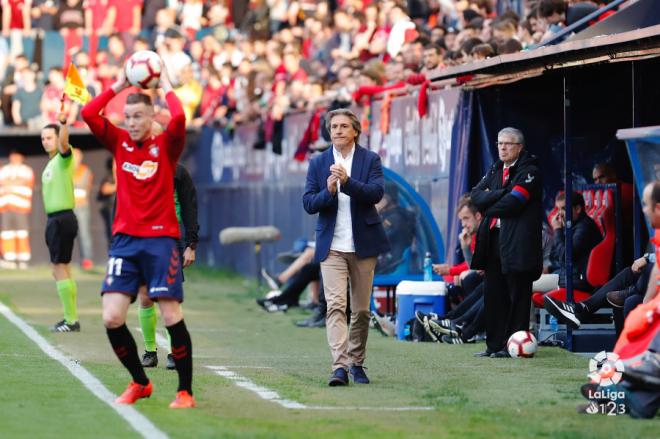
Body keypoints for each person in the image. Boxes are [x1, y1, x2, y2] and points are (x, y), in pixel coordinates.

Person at [81, 61, 195, 408]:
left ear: (151, 119)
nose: (131, 123)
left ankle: (184, 391)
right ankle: (139, 382)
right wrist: (117, 85)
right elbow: (88, 112)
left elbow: (178, 120)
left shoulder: (167, 146)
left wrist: (164, 86)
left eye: (137, 117)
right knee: (112, 317)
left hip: (161, 241)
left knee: (170, 313)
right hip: (126, 242)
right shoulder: (119, 144)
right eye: (127, 117)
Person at [303, 108, 390, 386]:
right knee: (336, 306)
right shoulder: (318, 163)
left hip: (363, 244)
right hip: (332, 247)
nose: (338, 131)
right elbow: (308, 203)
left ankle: (357, 362)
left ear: (355, 131)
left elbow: (376, 193)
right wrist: (328, 192)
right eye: (333, 127)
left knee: (362, 310)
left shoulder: (370, 159)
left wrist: (347, 183)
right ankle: (339, 366)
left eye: (343, 126)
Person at [470, 127, 543, 358]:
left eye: (508, 144)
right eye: (499, 143)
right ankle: (494, 346)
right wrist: (501, 194)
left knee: (517, 297)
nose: (502, 148)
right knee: (493, 295)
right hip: (493, 240)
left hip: (518, 244)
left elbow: (515, 202)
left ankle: (513, 346)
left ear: (519, 147)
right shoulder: (495, 168)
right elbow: (474, 196)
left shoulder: (530, 171)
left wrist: (489, 203)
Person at [139, 162, 199, 370]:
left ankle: (175, 353)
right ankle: (149, 352)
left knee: (169, 297)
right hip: (141, 239)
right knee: (145, 295)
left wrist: (191, 244)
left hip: (168, 240)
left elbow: (189, 207)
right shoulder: (136, 169)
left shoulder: (178, 171)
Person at [41, 113, 80, 332]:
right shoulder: (51, 164)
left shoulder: (63, 159)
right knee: (61, 267)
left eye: (49, 137)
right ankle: (71, 318)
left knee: (58, 268)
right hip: (56, 219)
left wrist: (63, 124)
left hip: (62, 218)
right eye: (43, 138)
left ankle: (70, 320)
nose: (45, 141)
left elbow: (65, 143)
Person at [0, 149, 34, 269]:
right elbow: (1, 181)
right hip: (5, 206)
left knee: (21, 232)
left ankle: (23, 260)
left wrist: (9, 183)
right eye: (12, 155)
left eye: (17, 155)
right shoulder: (4, 169)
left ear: (21, 157)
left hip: (20, 207)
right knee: (6, 233)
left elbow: (24, 180)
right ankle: (9, 259)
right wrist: (13, 183)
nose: (14, 157)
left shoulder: (26, 170)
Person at [72, 148, 94, 270]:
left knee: (84, 233)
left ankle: (87, 259)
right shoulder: (66, 169)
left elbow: (87, 186)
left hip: (81, 205)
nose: (75, 159)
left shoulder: (85, 170)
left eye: (77, 157)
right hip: (68, 204)